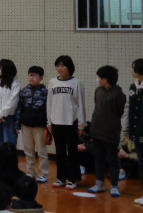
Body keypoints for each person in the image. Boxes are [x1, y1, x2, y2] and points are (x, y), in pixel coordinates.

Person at [47, 55, 86, 190]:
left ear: (69, 67)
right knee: (60, 152)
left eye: (63, 65)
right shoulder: (52, 82)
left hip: (71, 122)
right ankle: (61, 178)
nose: (60, 68)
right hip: (56, 122)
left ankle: (72, 179)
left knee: (72, 152)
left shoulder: (77, 83)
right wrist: (49, 121)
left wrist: (81, 124)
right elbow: (49, 103)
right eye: (58, 65)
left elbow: (81, 104)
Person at [86, 65, 126, 198]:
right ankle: (99, 184)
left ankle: (114, 185)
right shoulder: (98, 90)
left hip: (111, 131)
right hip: (96, 129)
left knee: (112, 159)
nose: (98, 80)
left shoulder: (118, 94)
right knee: (99, 158)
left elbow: (119, 112)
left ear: (107, 78)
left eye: (101, 77)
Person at [122, 58, 143, 206]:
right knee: (142, 164)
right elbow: (128, 109)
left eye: (133, 68)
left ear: (141, 70)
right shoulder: (133, 87)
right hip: (137, 133)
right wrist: (127, 129)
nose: (132, 71)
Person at [14, 66, 49, 183]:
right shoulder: (24, 91)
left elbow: (48, 110)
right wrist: (17, 124)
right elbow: (19, 109)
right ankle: (30, 173)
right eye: (30, 75)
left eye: (35, 76)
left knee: (41, 152)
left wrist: (48, 126)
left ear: (41, 78)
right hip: (26, 126)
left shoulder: (45, 92)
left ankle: (43, 174)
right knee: (28, 151)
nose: (32, 78)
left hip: (40, 127)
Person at [0, 59, 20, 160]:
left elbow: (12, 102)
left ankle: (9, 166)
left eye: (0, 66)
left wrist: (0, 114)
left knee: (9, 143)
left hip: (9, 117)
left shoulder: (15, 84)